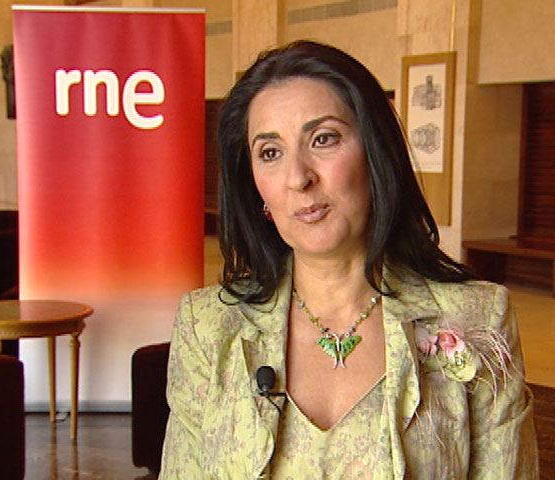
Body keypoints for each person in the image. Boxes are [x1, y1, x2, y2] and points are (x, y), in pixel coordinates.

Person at [159, 41, 538, 479]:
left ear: (375, 154)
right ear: (255, 186)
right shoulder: (207, 327)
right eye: (270, 152)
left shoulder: (477, 317)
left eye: (323, 139)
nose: (298, 178)